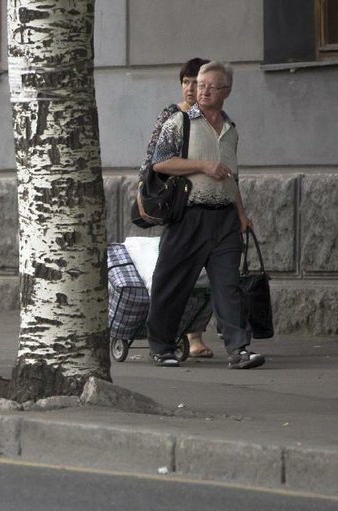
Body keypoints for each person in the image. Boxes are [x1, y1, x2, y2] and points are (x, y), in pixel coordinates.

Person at [146, 61, 265, 369]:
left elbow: (231, 177)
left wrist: (241, 213)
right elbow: (160, 163)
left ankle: (239, 349)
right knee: (172, 283)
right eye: (200, 85)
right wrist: (202, 165)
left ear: (226, 91)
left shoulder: (230, 130)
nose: (204, 90)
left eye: (211, 86)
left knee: (228, 285)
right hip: (189, 215)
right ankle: (161, 346)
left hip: (224, 218)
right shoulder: (180, 122)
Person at [140, 57, 215, 359]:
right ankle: (173, 339)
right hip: (178, 204)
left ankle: (195, 334)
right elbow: (151, 159)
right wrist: (141, 195)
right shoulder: (172, 116)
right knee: (175, 273)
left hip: (209, 206)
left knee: (206, 277)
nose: (189, 88)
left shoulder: (214, 119)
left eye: (196, 82)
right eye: (185, 81)